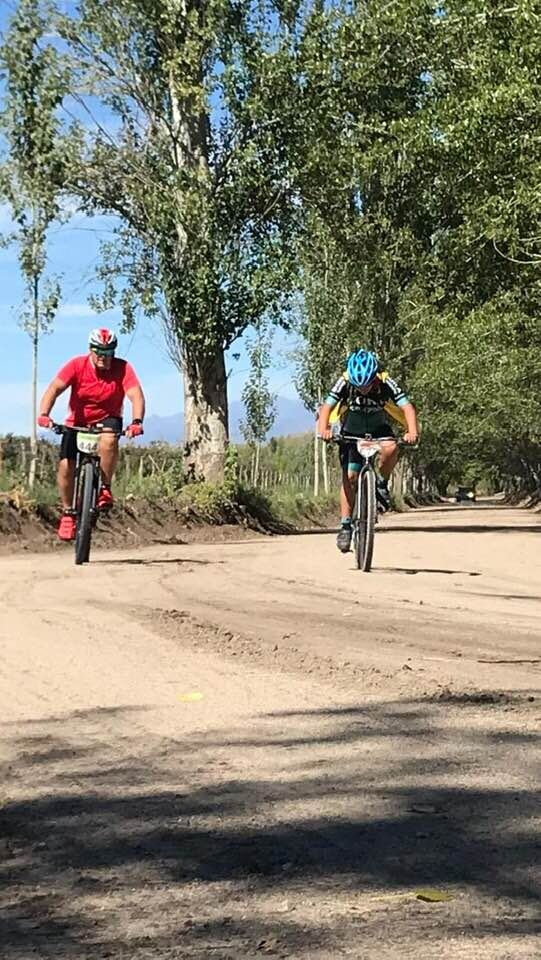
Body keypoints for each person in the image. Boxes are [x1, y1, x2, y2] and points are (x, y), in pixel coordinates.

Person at [37, 328, 146, 541]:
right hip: (77, 422)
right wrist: (44, 414)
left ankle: (105, 487)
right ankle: (68, 513)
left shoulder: (123, 368)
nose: (105, 358)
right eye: (100, 353)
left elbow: (136, 395)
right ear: (90, 350)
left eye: (109, 353)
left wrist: (136, 422)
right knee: (66, 466)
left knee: (109, 440)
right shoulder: (76, 365)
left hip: (108, 419)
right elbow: (54, 389)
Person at [317, 348, 419, 553]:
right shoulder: (344, 381)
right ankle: (345, 525)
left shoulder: (385, 382)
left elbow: (407, 407)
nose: (363, 389)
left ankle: (381, 483)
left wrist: (412, 432)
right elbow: (327, 407)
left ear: (374, 377)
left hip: (378, 430)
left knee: (391, 448)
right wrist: (324, 430)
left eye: (367, 384)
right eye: (358, 385)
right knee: (350, 476)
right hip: (351, 433)